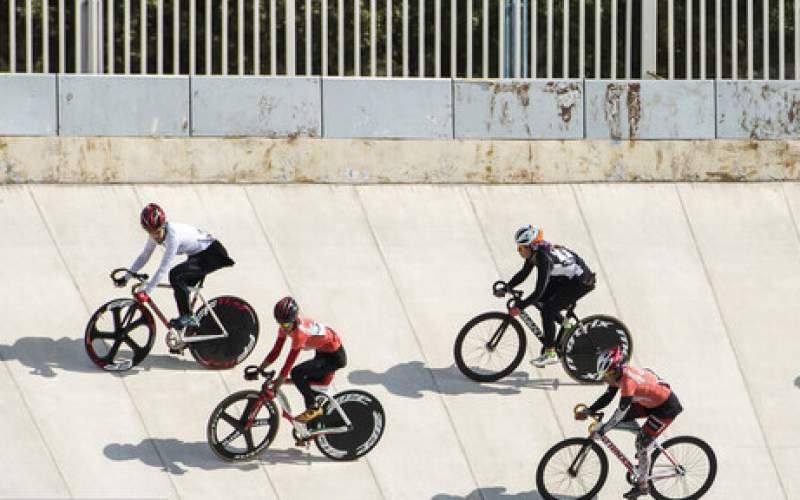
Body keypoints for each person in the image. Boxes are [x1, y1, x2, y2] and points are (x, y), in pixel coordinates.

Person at [575, 347, 684, 499]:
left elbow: (619, 412)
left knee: (642, 443)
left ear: (615, 370)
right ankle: (646, 441)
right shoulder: (618, 374)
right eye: (604, 375)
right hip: (649, 401)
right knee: (628, 421)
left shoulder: (627, 383)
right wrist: (590, 410)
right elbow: (607, 397)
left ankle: (643, 485)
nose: (605, 379)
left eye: (607, 375)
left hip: (665, 408)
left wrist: (604, 430)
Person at [117, 203, 235, 330]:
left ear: (163, 225)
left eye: (157, 232)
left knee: (176, 275)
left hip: (212, 254)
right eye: (150, 233)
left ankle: (188, 316)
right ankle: (188, 328)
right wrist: (127, 276)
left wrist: (147, 292)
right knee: (181, 286)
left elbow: (163, 268)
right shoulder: (155, 233)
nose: (155, 236)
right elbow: (145, 255)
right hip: (197, 255)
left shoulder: (173, 237)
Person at [495, 224, 596, 367]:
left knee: (547, 310)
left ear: (531, 246)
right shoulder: (535, 253)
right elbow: (523, 273)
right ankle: (567, 325)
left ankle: (550, 353)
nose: (519, 251)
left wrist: (520, 306)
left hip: (581, 281)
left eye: (521, 248)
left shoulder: (544, 259)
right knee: (541, 302)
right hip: (567, 278)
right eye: (518, 247)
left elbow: (538, 291)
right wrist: (507, 287)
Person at [250, 296, 347, 424]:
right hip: (322, 352)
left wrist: (277, 384)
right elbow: (276, 351)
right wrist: (259, 369)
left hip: (334, 358)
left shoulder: (300, 334)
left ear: (294, 319)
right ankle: (311, 427)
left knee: (296, 373)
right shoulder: (286, 326)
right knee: (310, 388)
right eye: (279, 323)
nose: (283, 327)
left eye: (285, 324)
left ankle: (314, 408)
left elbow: (288, 364)